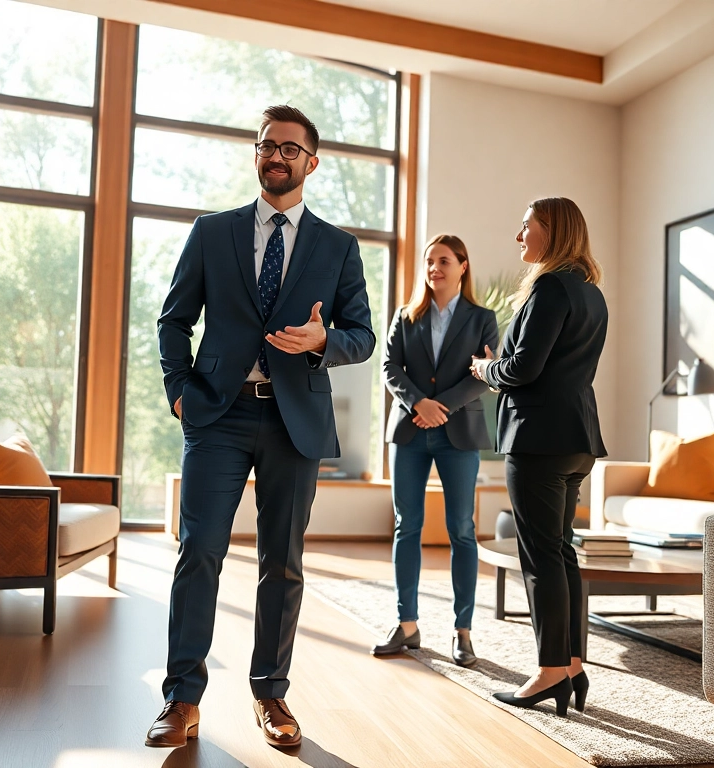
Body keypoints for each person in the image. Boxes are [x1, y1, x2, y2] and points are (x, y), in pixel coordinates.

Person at [145, 105, 375, 750]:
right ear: (257, 156)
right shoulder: (212, 232)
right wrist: (178, 391)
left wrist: (322, 338)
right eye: (266, 145)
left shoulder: (338, 246)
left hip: (294, 419)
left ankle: (271, 693)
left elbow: (363, 335)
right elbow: (172, 320)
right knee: (200, 553)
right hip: (217, 413)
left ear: (311, 162)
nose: (276, 156)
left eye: (290, 148)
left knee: (284, 562)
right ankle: (181, 698)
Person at [469, 197, 607, 717]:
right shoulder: (592, 294)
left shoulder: (549, 288)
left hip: (538, 439)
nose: (518, 235)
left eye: (526, 227)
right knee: (561, 550)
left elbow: (523, 369)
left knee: (540, 555)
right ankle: (571, 664)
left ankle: (550, 671)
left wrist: (485, 371)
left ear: (552, 231)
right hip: (577, 439)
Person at [373, 234, 499, 668]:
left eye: (443, 261)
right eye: (429, 261)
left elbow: (483, 372)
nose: (434, 268)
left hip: (457, 432)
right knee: (407, 526)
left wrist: (439, 407)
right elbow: (389, 366)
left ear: (463, 266)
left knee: (461, 529)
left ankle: (462, 630)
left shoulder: (483, 317)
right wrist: (417, 404)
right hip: (409, 431)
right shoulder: (406, 316)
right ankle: (406, 625)